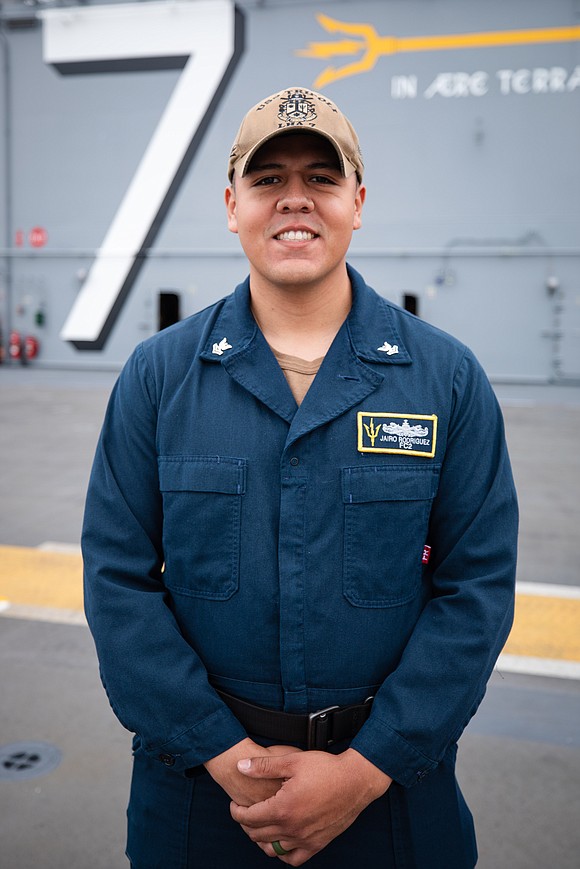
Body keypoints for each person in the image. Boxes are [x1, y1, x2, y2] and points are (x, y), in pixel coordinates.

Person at [82, 86, 518, 868]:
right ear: (231, 204)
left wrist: (364, 769)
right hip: (199, 804)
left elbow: (476, 588)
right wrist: (221, 754)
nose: (295, 200)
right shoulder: (158, 378)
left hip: (392, 806)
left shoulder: (446, 380)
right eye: (267, 178)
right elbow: (117, 580)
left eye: (320, 177)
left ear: (358, 200)